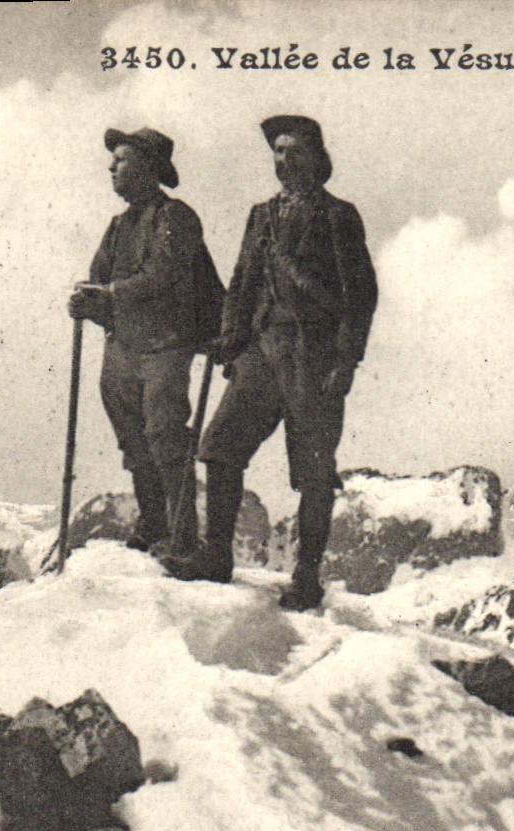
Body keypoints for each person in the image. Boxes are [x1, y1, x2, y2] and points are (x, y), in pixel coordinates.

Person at [168, 115, 377, 610]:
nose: (284, 161)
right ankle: (216, 556)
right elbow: (242, 282)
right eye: (278, 152)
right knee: (219, 448)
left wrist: (346, 360)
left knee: (313, 472)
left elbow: (360, 295)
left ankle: (306, 578)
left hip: (313, 361)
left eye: (295, 152)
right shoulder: (261, 216)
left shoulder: (338, 216)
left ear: (317, 158)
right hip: (261, 356)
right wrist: (230, 339)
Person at [68, 127, 206, 558]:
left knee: (165, 436)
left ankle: (182, 538)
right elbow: (100, 280)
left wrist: (109, 295)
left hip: (166, 345)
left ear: (148, 168)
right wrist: (86, 303)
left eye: (122, 160)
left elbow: (164, 275)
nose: (112, 168)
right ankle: (154, 525)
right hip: (123, 349)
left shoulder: (176, 218)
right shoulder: (117, 227)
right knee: (134, 442)